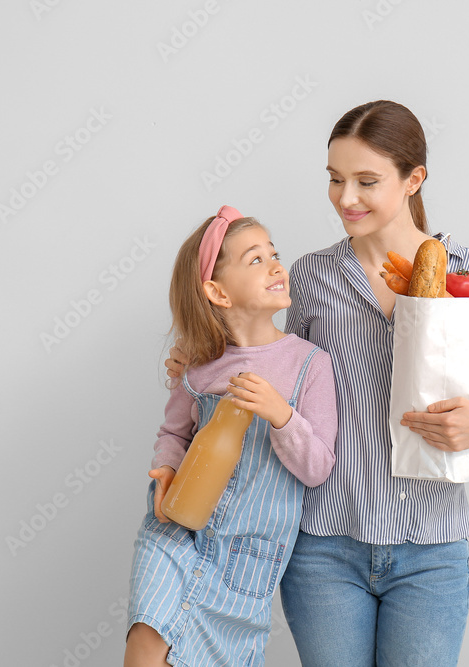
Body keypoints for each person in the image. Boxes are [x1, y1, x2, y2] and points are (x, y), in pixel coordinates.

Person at [167, 101, 469, 666]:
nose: (345, 198)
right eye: (335, 179)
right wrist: (195, 351)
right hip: (323, 549)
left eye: (366, 181)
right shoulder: (311, 277)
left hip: (431, 550)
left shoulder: (468, 272)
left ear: (414, 180)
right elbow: (265, 353)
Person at [125, 206, 337, 667]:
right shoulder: (197, 363)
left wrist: (282, 415)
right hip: (176, 531)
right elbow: (174, 434)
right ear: (217, 292)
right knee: (144, 652)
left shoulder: (309, 364)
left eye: (274, 254)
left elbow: (318, 467)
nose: (277, 265)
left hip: (246, 551)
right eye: (255, 260)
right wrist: (165, 468)